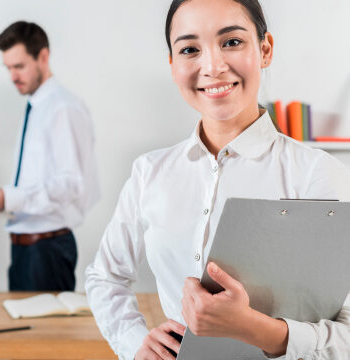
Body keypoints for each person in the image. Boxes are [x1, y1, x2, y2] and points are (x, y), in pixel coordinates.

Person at [85, 0, 350, 359]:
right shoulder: (150, 171)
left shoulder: (316, 173)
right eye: (190, 49)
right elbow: (105, 277)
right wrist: (135, 345)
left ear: (265, 49)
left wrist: (252, 328)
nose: (212, 67)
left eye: (231, 42)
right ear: (173, 65)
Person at [0, 21, 100, 291]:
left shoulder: (62, 108)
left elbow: (70, 184)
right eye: (8, 68)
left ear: (43, 57)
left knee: (50, 334)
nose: (13, 76)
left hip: (46, 251)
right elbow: (35, 180)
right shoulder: (37, 106)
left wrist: (8, 198)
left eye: (19, 66)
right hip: (24, 247)